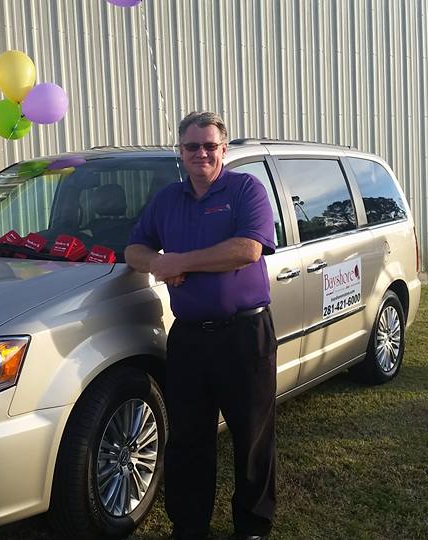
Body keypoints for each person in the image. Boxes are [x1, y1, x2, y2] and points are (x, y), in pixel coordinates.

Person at [125, 111, 277, 540]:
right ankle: (189, 526)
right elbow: (134, 248)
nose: (202, 153)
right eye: (192, 146)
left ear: (223, 150)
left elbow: (247, 249)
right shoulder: (167, 200)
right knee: (188, 437)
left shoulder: (245, 189)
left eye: (210, 146)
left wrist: (180, 262)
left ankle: (252, 526)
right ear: (181, 151)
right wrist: (156, 262)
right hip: (190, 337)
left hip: (244, 334)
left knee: (252, 435)